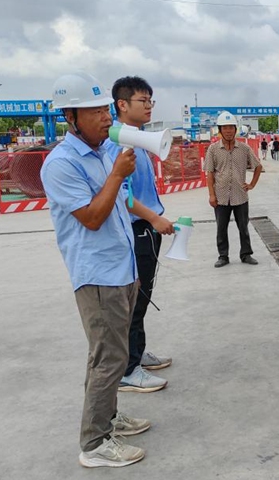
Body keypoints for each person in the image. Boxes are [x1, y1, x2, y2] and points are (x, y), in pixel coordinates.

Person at [41, 72, 174, 467]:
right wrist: (117, 175)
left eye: (104, 109)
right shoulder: (60, 164)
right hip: (97, 275)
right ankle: (95, 444)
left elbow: (122, 204)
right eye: (94, 111)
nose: (104, 117)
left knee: (109, 354)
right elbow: (94, 217)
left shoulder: (102, 151)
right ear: (70, 116)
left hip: (121, 268)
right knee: (109, 360)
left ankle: (109, 419)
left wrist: (118, 175)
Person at [106, 76, 171, 394]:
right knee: (135, 297)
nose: (148, 106)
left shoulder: (138, 140)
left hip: (146, 227)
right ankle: (129, 369)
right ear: (122, 104)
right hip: (137, 229)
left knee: (142, 297)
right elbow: (122, 195)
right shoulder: (118, 144)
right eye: (142, 101)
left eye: (150, 101)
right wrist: (155, 219)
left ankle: (136, 353)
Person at [205, 111, 262, 268]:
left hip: (240, 196)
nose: (228, 131)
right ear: (220, 130)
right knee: (221, 228)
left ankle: (246, 254)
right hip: (221, 196)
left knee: (243, 226)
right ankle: (223, 256)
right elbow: (209, 173)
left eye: (231, 127)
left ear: (235, 130)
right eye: (225, 128)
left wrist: (251, 184)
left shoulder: (244, 148)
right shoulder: (213, 149)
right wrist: (211, 195)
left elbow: (258, 166)